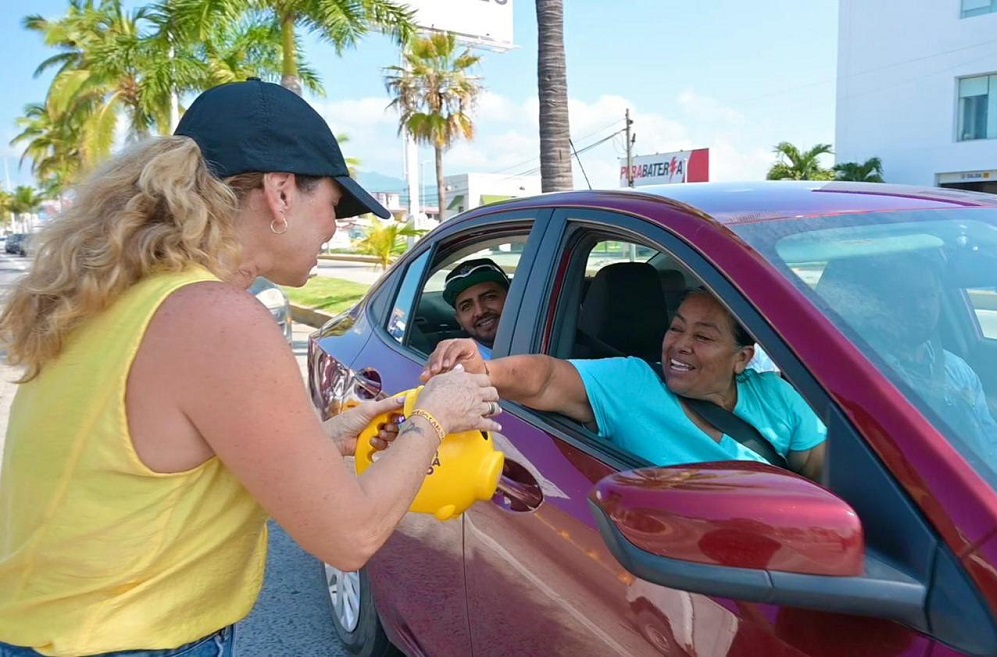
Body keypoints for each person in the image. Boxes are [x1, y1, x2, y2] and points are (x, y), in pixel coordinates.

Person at [0, 79, 503, 657]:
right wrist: (436, 416)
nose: (334, 228)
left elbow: (157, 463)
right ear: (281, 193)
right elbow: (350, 535)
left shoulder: (122, 300)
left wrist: (326, 437)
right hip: (122, 640)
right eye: (334, 207)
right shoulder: (216, 318)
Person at [424, 288, 827, 481]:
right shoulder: (633, 382)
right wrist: (486, 372)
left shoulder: (777, 396)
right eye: (675, 329)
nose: (680, 346)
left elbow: (823, 477)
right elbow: (547, 377)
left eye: (703, 337)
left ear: (743, 357)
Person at [822, 251, 997, 462]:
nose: (920, 307)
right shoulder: (863, 369)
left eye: (928, 295)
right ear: (881, 303)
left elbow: (991, 447)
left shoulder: (959, 371)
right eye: (905, 296)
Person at [442, 258, 510, 359]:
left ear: (511, 297)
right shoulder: (461, 366)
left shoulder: (540, 335)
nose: (480, 311)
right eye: (466, 307)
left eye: (489, 297)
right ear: (459, 320)